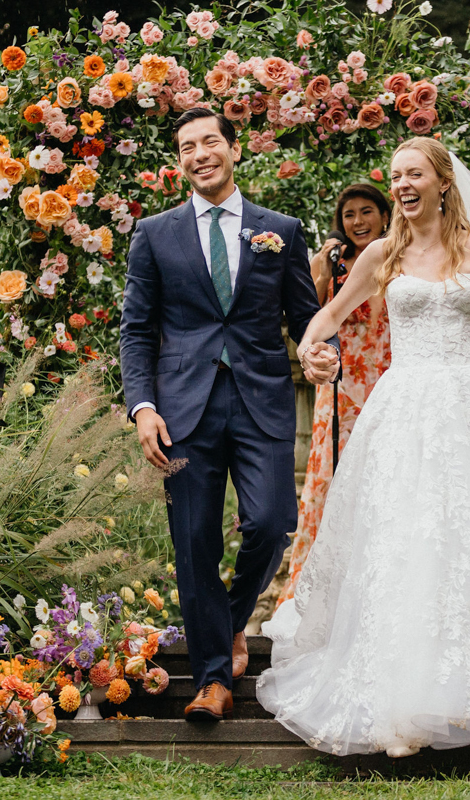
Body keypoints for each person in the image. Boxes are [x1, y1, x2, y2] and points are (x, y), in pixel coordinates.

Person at [256, 138, 470, 757]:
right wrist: (310, 350)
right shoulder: (382, 255)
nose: (402, 186)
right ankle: (401, 703)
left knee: (469, 545)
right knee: (406, 545)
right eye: (395, 178)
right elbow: (327, 315)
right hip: (404, 411)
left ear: (443, 182)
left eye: (414, 175)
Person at [120, 108, 339, 722]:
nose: (199, 154)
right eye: (186, 146)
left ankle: (230, 620)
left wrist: (322, 355)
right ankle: (213, 682)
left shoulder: (281, 230)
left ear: (233, 149)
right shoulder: (154, 233)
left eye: (209, 141)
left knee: (273, 522)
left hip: (260, 400)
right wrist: (142, 407)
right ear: (180, 160)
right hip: (181, 410)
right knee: (193, 544)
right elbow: (136, 331)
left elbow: (307, 318)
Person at [278, 184, 393, 607]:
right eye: (350, 215)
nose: (358, 222)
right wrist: (324, 269)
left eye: (367, 212)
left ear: (385, 215)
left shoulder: (402, 256)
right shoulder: (331, 262)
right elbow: (310, 317)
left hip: (389, 377)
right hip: (342, 385)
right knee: (336, 480)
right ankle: (323, 595)